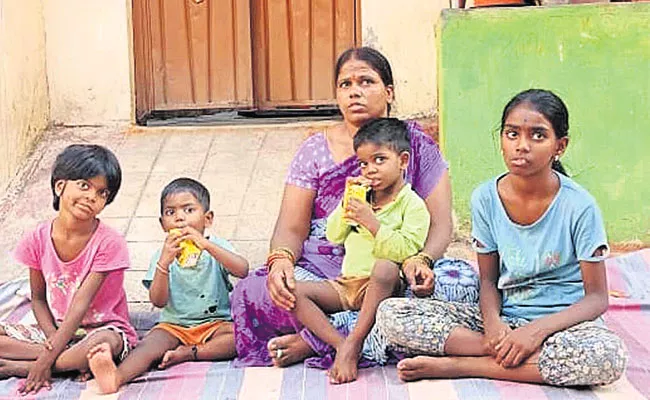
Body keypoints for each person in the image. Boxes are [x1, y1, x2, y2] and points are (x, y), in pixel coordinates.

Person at [231, 46, 479, 369]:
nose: (354, 92)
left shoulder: (415, 145)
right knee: (260, 290)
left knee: (460, 286)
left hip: (395, 269)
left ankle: (316, 339)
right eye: (345, 85)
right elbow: (291, 227)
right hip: (325, 273)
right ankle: (351, 334)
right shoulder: (315, 150)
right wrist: (281, 261)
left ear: (388, 92)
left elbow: (440, 224)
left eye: (366, 81)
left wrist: (421, 262)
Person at [376, 89, 628, 386]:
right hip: (506, 318)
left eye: (537, 136)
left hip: (564, 326)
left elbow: (597, 299)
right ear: (501, 140)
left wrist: (534, 333)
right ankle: (502, 354)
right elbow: (487, 281)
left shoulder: (579, 206)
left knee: (608, 357)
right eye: (512, 134)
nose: (522, 146)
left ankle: (462, 366)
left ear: (560, 146)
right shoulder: (485, 198)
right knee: (391, 313)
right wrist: (494, 327)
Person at [291, 118, 430, 383]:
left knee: (385, 267)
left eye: (380, 160)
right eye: (364, 163)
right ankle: (340, 344)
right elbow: (334, 235)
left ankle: (354, 343)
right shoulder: (360, 198)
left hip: (383, 286)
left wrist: (372, 222)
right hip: (348, 285)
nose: (370, 170)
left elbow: (406, 249)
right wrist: (348, 202)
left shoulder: (412, 205)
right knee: (294, 292)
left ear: (403, 161)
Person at [87, 178, 249, 394]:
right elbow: (158, 301)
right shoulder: (162, 256)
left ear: (207, 218)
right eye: (171, 212)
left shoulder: (215, 247)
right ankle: (116, 377)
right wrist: (164, 264)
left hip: (215, 324)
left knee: (241, 337)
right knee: (148, 346)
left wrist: (208, 246)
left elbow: (243, 270)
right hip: (173, 326)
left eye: (189, 210)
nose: (180, 217)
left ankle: (191, 353)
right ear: (163, 224)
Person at [0, 144, 137, 395]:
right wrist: (54, 343)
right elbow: (38, 300)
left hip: (103, 329)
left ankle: (21, 367)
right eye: (84, 185)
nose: (91, 197)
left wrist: (45, 363)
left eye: (102, 193)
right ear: (60, 186)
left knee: (102, 345)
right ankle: (71, 362)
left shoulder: (110, 243)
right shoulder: (37, 238)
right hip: (58, 330)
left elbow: (80, 305)